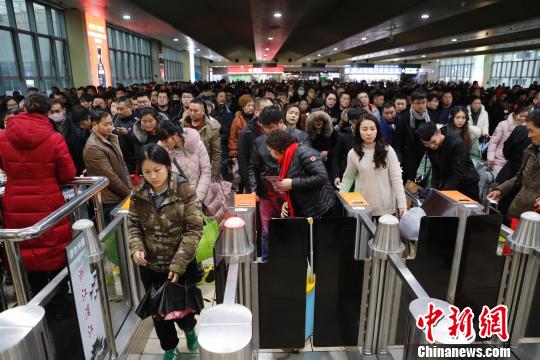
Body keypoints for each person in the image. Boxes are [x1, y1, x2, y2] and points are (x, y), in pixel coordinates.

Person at [128, 144, 203, 359]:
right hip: (151, 266)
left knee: (182, 310)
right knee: (158, 314)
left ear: (168, 167)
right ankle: (170, 348)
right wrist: (136, 248)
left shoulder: (183, 189)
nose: (152, 176)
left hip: (180, 264)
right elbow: (133, 224)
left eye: (157, 170)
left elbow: (194, 228)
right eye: (147, 171)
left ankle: (189, 330)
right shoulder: (138, 193)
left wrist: (179, 264)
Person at [0, 93, 76, 292]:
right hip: (48, 201)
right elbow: (68, 174)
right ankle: (59, 301)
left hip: (14, 202)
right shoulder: (55, 138)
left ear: (24, 109)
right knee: (53, 248)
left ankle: (35, 301)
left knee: (26, 247)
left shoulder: (2, 137)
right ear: (47, 112)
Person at [340, 113, 407, 217]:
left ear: (377, 130)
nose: (369, 133)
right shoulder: (353, 153)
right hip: (362, 207)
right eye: (365, 129)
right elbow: (348, 178)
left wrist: (402, 205)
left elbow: (397, 179)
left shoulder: (388, 150)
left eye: (372, 128)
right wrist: (342, 200)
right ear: (358, 131)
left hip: (386, 207)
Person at [266, 130, 336, 220]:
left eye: (270, 150)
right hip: (302, 209)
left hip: (319, 209)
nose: (270, 154)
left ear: (279, 149)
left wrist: (292, 183)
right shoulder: (285, 159)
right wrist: (286, 202)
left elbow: (322, 177)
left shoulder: (305, 152)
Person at [488, 110, 540, 221]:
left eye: (531, 131)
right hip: (519, 212)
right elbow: (520, 177)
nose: (529, 135)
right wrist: (501, 190)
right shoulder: (531, 150)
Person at [84, 109, 131, 222]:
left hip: (119, 194)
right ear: (94, 124)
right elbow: (110, 177)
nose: (110, 127)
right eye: (106, 124)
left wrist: (129, 188)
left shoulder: (109, 138)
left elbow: (122, 165)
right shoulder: (94, 147)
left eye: (111, 123)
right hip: (109, 200)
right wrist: (129, 193)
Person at [416, 121, 480, 200]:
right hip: (448, 182)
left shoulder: (456, 143)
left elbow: (457, 173)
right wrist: (433, 191)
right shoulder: (429, 145)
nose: (431, 146)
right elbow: (435, 168)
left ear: (438, 132)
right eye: (426, 143)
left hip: (466, 183)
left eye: (433, 142)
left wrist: (442, 195)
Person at [156, 121, 211, 203]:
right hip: (175, 200)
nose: (164, 144)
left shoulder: (197, 145)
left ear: (175, 135)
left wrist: (198, 197)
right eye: (162, 141)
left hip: (198, 197)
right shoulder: (162, 150)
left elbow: (205, 172)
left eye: (166, 140)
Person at [394, 90, 438, 182]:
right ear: (412, 103)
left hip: (427, 153)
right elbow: (398, 140)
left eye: (424, 102)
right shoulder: (405, 117)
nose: (421, 105)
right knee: (411, 179)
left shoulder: (430, 115)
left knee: (425, 179)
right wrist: (399, 158)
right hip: (410, 154)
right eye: (418, 103)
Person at [181, 99, 221, 179]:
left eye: (195, 111)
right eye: (190, 110)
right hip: (185, 169)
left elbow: (216, 153)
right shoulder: (182, 125)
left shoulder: (213, 128)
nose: (192, 113)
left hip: (204, 169)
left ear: (203, 111)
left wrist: (214, 173)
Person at [238, 97, 273, 187]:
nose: (271, 113)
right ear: (256, 112)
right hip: (256, 181)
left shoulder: (277, 130)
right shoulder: (246, 133)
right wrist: (251, 186)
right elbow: (244, 163)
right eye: (267, 110)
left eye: (273, 109)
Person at [487, 105, 529, 176]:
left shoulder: (527, 129)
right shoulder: (503, 125)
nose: (523, 119)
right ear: (515, 114)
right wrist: (491, 158)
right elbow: (493, 142)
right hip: (498, 160)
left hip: (516, 163)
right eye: (521, 116)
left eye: (525, 117)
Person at [332, 108, 365, 189]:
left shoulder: (368, 133)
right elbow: (336, 157)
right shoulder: (343, 135)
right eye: (356, 123)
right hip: (346, 174)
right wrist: (336, 176)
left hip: (364, 176)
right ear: (350, 121)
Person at [305, 111, 338, 177]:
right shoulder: (307, 134)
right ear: (311, 122)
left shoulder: (332, 132)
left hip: (330, 164)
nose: (318, 122)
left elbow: (337, 146)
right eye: (315, 120)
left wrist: (328, 152)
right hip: (313, 164)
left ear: (324, 121)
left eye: (320, 120)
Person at [128, 108, 161, 172]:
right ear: (140, 121)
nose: (147, 124)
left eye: (150, 121)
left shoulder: (163, 135)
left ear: (156, 120)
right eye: (144, 121)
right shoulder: (135, 136)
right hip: (143, 172)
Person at [113, 96, 137, 172]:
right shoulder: (116, 117)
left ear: (130, 107)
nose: (119, 111)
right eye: (117, 109)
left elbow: (141, 140)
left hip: (133, 159)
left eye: (121, 109)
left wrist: (127, 133)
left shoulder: (137, 120)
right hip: (118, 157)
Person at [228, 94, 254, 159]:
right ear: (243, 107)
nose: (251, 108)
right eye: (248, 105)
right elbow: (233, 138)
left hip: (255, 153)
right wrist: (234, 153)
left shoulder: (257, 118)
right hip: (242, 153)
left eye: (253, 105)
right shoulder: (237, 120)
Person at [68, 105, 92, 175]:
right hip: (79, 169)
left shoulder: (72, 128)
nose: (81, 126)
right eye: (89, 118)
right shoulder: (76, 134)